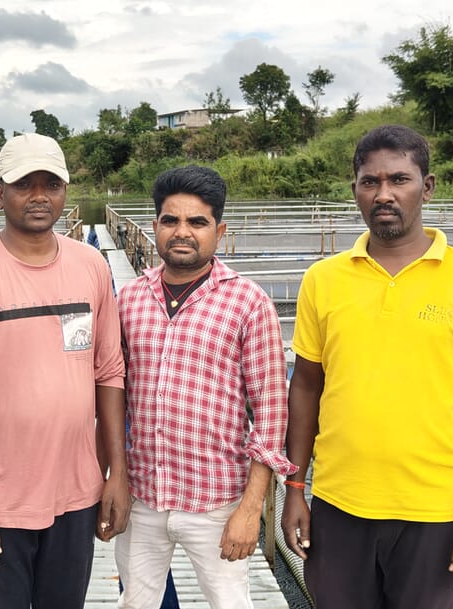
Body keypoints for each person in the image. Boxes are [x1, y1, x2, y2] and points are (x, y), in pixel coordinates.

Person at [280, 125, 453, 609]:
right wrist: (295, 489)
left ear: (426, 187)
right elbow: (305, 388)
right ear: (355, 191)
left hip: (433, 512)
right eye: (370, 182)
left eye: (399, 180)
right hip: (338, 506)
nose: (383, 194)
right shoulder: (322, 281)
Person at [0, 133, 129, 609]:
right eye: (24, 184)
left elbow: (109, 372)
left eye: (51, 184)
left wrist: (116, 473)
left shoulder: (91, 266)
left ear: (65, 190)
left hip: (76, 494)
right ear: (0, 193)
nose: (39, 196)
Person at [114, 165, 296, 609]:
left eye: (197, 222)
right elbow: (112, 398)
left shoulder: (247, 302)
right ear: (155, 225)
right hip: (142, 496)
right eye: (170, 220)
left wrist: (251, 509)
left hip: (217, 500)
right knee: (136, 604)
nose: (182, 232)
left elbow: (271, 416)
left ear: (220, 230)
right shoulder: (128, 298)